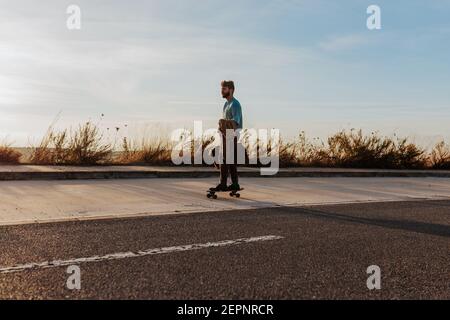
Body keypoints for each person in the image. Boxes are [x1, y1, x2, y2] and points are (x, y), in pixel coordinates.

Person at [210, 80, 243, 192]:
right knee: (230, 160)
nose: (222, 91)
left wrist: (223, 122)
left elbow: (236, 121)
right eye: (222, 88)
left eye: (224, 89)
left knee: (224, 158)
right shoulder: (226, 104)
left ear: (231, 90)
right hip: (224, 135)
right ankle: (235, 184)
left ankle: (223, 184)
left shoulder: (235, 104)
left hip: (232, 134)